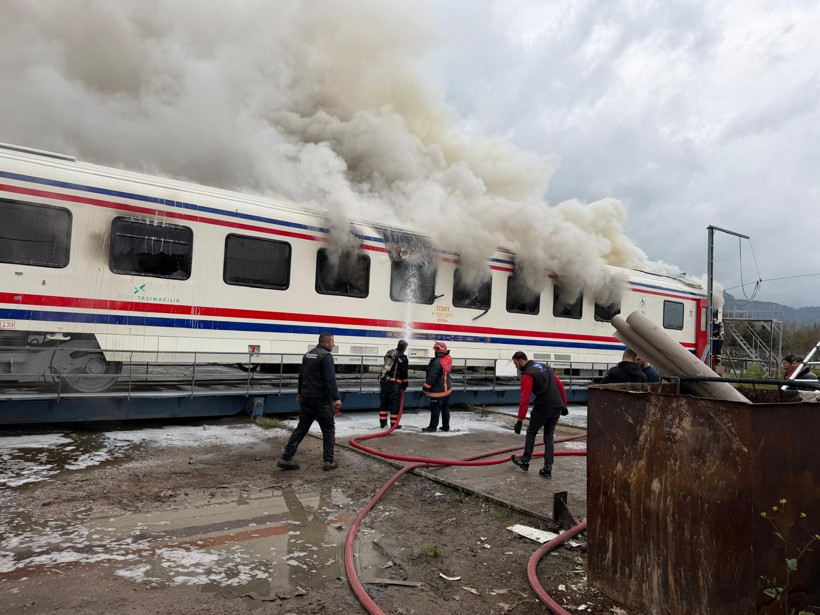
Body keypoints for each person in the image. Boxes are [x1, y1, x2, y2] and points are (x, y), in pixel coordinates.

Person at [277, 332, 342, 471]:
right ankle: (329, 461)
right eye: (332, 342)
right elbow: (330, 379)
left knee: (301, 428)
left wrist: (300, 392)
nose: (333, 344)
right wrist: (336, 398)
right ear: (326, 343)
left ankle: (286, 458)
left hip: (307, 398)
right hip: (321, 400)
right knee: (329, 429)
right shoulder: (326, 357)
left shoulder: (308, 355)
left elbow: (301, 376)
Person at [509, 352, 567, 478]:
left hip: (543, 407)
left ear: (520, 361)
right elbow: (560, 386)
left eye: (515, 363)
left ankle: (525, 461)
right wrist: (563, 404)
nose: (515, 366)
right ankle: (547, 469)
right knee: (548, 438)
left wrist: (520, 420)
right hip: (556, 406)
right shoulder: (546, 367)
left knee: (531, 432)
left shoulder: (528, 374)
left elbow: (524, 399)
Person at [421, 341, 452, 432]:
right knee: (445, 409)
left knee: (435, 409)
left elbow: (432, 376)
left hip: (437, 391)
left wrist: (426, 386)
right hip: (447, 390)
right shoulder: (447, 358)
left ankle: (432, 426)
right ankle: (446, 426)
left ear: (437, 351)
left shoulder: (436, 362)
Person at [378, 340, 409, 428]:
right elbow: (404, 373)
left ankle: (382, 423)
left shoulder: (389, 354)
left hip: (384, 382)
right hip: (395, 384)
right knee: (394, 405)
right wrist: (405, 384)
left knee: (384, 403)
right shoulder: (403, 357)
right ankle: (394, 424)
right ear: (404, 348)